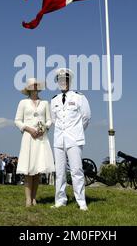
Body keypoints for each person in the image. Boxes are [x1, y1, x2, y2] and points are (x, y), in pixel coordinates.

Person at [50, 68, 91, 211]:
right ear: (57, 82)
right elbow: (54, 119)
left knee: (76, 170)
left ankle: (81, 201)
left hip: (74, 139)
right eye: (60, 80)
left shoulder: (79, 97)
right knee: (60, 172)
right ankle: (60, 200)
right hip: (59, 140)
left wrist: (76, 130)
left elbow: (86, 117)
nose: (63, 82)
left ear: (69, 81)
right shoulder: (54, 100)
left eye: (65, 80)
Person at [14, 78, 55, 207]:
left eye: (36, 85)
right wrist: (28, 129)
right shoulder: (23, 103)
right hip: (28, 137)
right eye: (32, 85)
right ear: (28, 88)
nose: (35, 87)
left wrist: (44, 128)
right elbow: (17, 120)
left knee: (38, 169)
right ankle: (27, 199)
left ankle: (34, 198)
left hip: (41, 139)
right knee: (28, 170)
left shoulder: (45, 103)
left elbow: (49, 120)